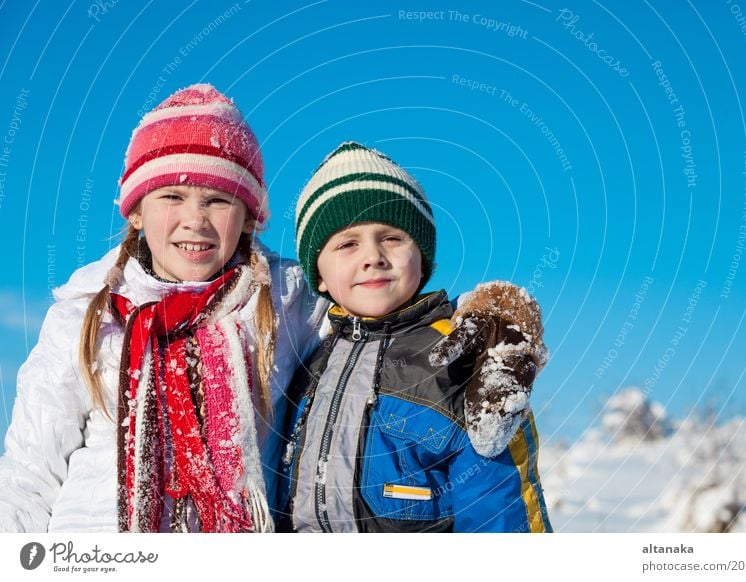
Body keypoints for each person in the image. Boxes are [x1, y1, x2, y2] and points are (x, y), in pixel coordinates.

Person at [0, 86, 543, 533]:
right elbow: (29, 473)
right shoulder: (85, 316)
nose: (196, 220)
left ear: (249, 217)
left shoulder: (281, 299)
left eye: (218, 200)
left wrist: (495, 319)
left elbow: (380, 312)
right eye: (172, 198)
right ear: (137, 211)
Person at [280, 142, 552, 532]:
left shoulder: (463, 356)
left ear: (421, 257)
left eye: (391, 237)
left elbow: (499, 510)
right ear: (318, 274)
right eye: (347, 244)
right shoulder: (307, 360)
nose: (372, 256)